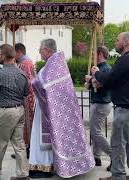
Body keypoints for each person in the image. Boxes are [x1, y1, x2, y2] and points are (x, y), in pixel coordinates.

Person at [29, 39, 95, 179]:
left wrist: (31, 80)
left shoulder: (53, 66)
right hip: (47, 107)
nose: (39, 52)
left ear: (47, 50)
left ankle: (45, 166)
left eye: (40, 49)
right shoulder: (54, 64)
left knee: (45, 138)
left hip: (49, 110)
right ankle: (46, 165)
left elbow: (41, 84)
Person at [91, 32, 129, 180]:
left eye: (117, 40)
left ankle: (118, 175)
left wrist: (96, 73)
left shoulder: (127, 59)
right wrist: (100, 81)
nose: (115, 42)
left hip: (127, 108)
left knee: (117, 144)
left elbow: (109, 79)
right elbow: (115, 81)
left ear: (126, 42)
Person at [0, 44, 30, 180]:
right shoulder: (22, 73)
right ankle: (23, 174)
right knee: (19, 144)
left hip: (7, 112)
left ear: (3, 56)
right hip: (20, 110)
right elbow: (26, 93)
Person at [85, 46, 112, 171]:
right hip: (99, 103)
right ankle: (96, 157)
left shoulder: (105, 69)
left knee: (96, 133)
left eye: (93, 54)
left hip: (101, 104)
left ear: (100, 54)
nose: (92, 56)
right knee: (95, 132)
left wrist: (92, 80)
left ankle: (114, 156)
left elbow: (104, 85)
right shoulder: (98, 69)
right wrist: (89, 84)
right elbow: (95, 85)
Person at [10, 43, 36, 159]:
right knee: (26, 124)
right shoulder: (28, 62)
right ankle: (26, 148)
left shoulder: (24, 64)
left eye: (14, 52)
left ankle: (27, 148)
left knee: (26, 125)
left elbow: (25, 82)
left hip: (26, 98)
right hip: (30, 97)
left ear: (19, 52)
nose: (13, 55)